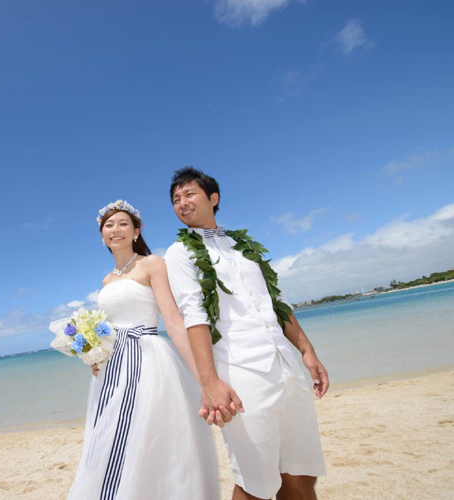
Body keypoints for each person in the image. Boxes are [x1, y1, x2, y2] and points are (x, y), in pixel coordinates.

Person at [165, 167, 328, 500]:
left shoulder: (244, 246)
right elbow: (193, 315)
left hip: (286, 366)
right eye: (175, 199)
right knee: (256, 483)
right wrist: (209, 382)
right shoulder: (179, 253)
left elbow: (276, 301)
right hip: (241, 373)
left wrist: (307, 351)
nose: (181, 203)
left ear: (213, 198)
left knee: (302, 473)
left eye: (189, 194)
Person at [66, 200, 220, 500]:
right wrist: (93, 356)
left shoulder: (152, 263)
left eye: (123, 223)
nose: (116, 230)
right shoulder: (107, 279)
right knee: (110, 435)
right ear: (102, 236)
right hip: (112, 367)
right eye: (109, 226)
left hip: (149, 359)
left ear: (137, 231)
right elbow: (106, 328)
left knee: (149, 435)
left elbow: (173, 321)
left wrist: (204, 377)